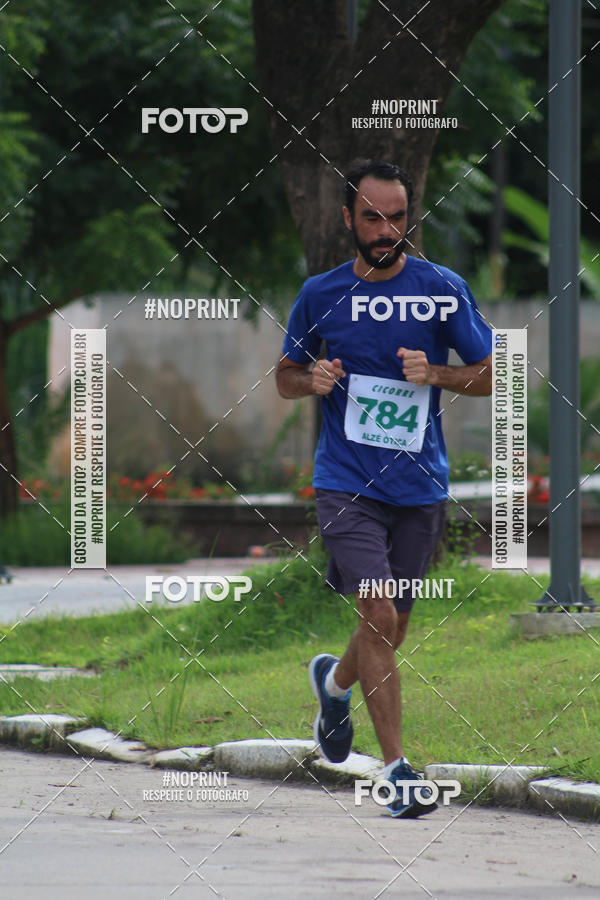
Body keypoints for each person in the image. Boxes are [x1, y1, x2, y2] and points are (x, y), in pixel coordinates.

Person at [275, 160, 492, 818]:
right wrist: (310, 380)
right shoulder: (321, 293)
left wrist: (439, 375)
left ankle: (334, 684)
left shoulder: (441, 289)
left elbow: (493, 372)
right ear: (348, 218)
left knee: (391, 629)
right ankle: (397, 773)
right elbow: (284, 375)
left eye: (397, 218)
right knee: (378, 615)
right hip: (345, 482)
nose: (385, 230)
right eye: (372, 217)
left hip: (419, 486)